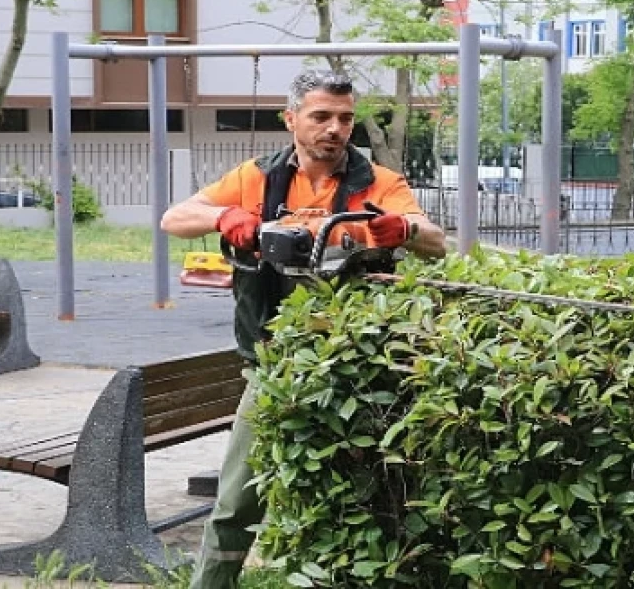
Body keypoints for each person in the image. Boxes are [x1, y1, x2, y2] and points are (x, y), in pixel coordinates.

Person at [160, 69, 447, 588]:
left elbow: (435, 240)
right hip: (272, 368)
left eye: (344, 118)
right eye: (320, 117)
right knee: (236, 500)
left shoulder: (380, 184)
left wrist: (400, 228)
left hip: (361, 371)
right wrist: (227, 216)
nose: (334, 129)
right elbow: (175, 218)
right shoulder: (257, 178)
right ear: (292, 119)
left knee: (365, 498)